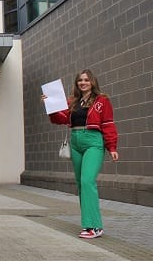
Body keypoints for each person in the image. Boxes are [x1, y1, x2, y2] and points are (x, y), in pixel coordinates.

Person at [44, 69, 119, 239]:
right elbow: (61, 118)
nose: (83, 83)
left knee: (87, 181)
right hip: (76, 141)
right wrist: (50, 106)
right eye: (80, 80)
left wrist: (112, 147)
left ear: (92, 82)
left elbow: (108, 124)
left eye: (86, 80)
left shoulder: (102, 100)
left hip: (93, 141)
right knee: (80, 183)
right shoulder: (73, 101)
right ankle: (89, 224)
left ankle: (94, 226)